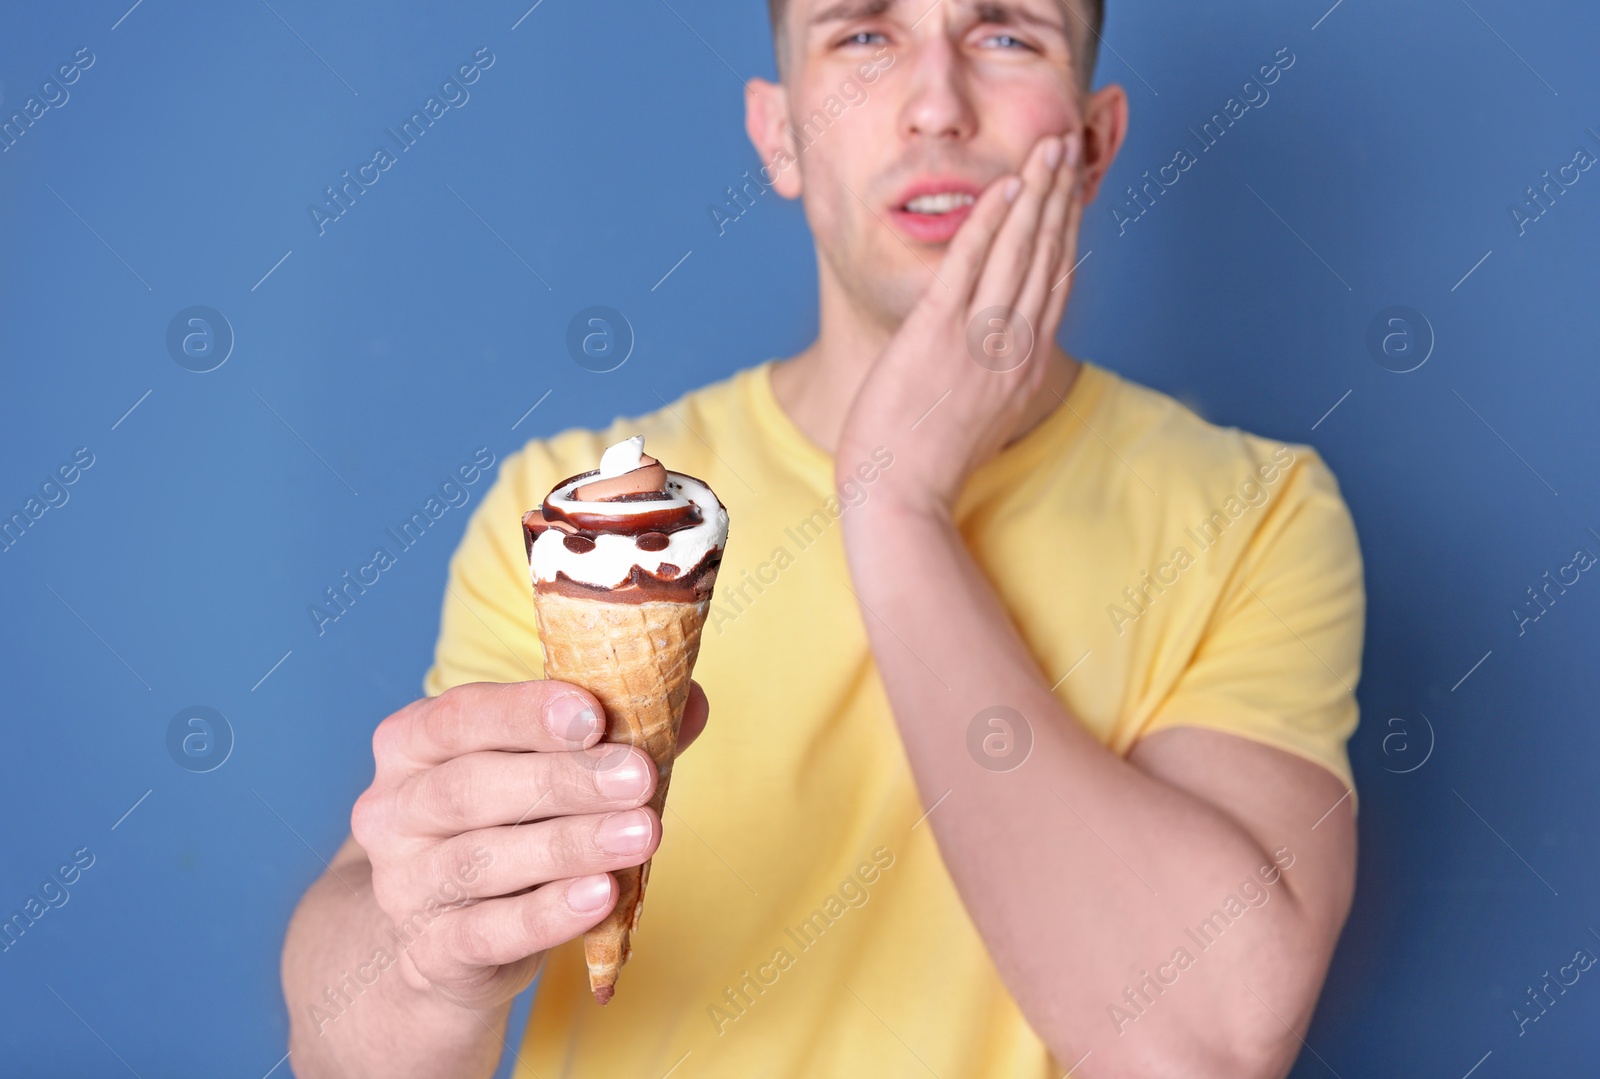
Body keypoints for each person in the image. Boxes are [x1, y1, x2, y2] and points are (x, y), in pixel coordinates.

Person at [281, 0, 1364, 1075]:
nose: (936, 105)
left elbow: (1198, 1042)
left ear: (1091, 143)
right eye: (862, 34)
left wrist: (895, 506)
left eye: (1004, 34)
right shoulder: (581, 514)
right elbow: (338, 1045)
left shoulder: (1257, 511)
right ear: (781, 133)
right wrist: (428, 962)